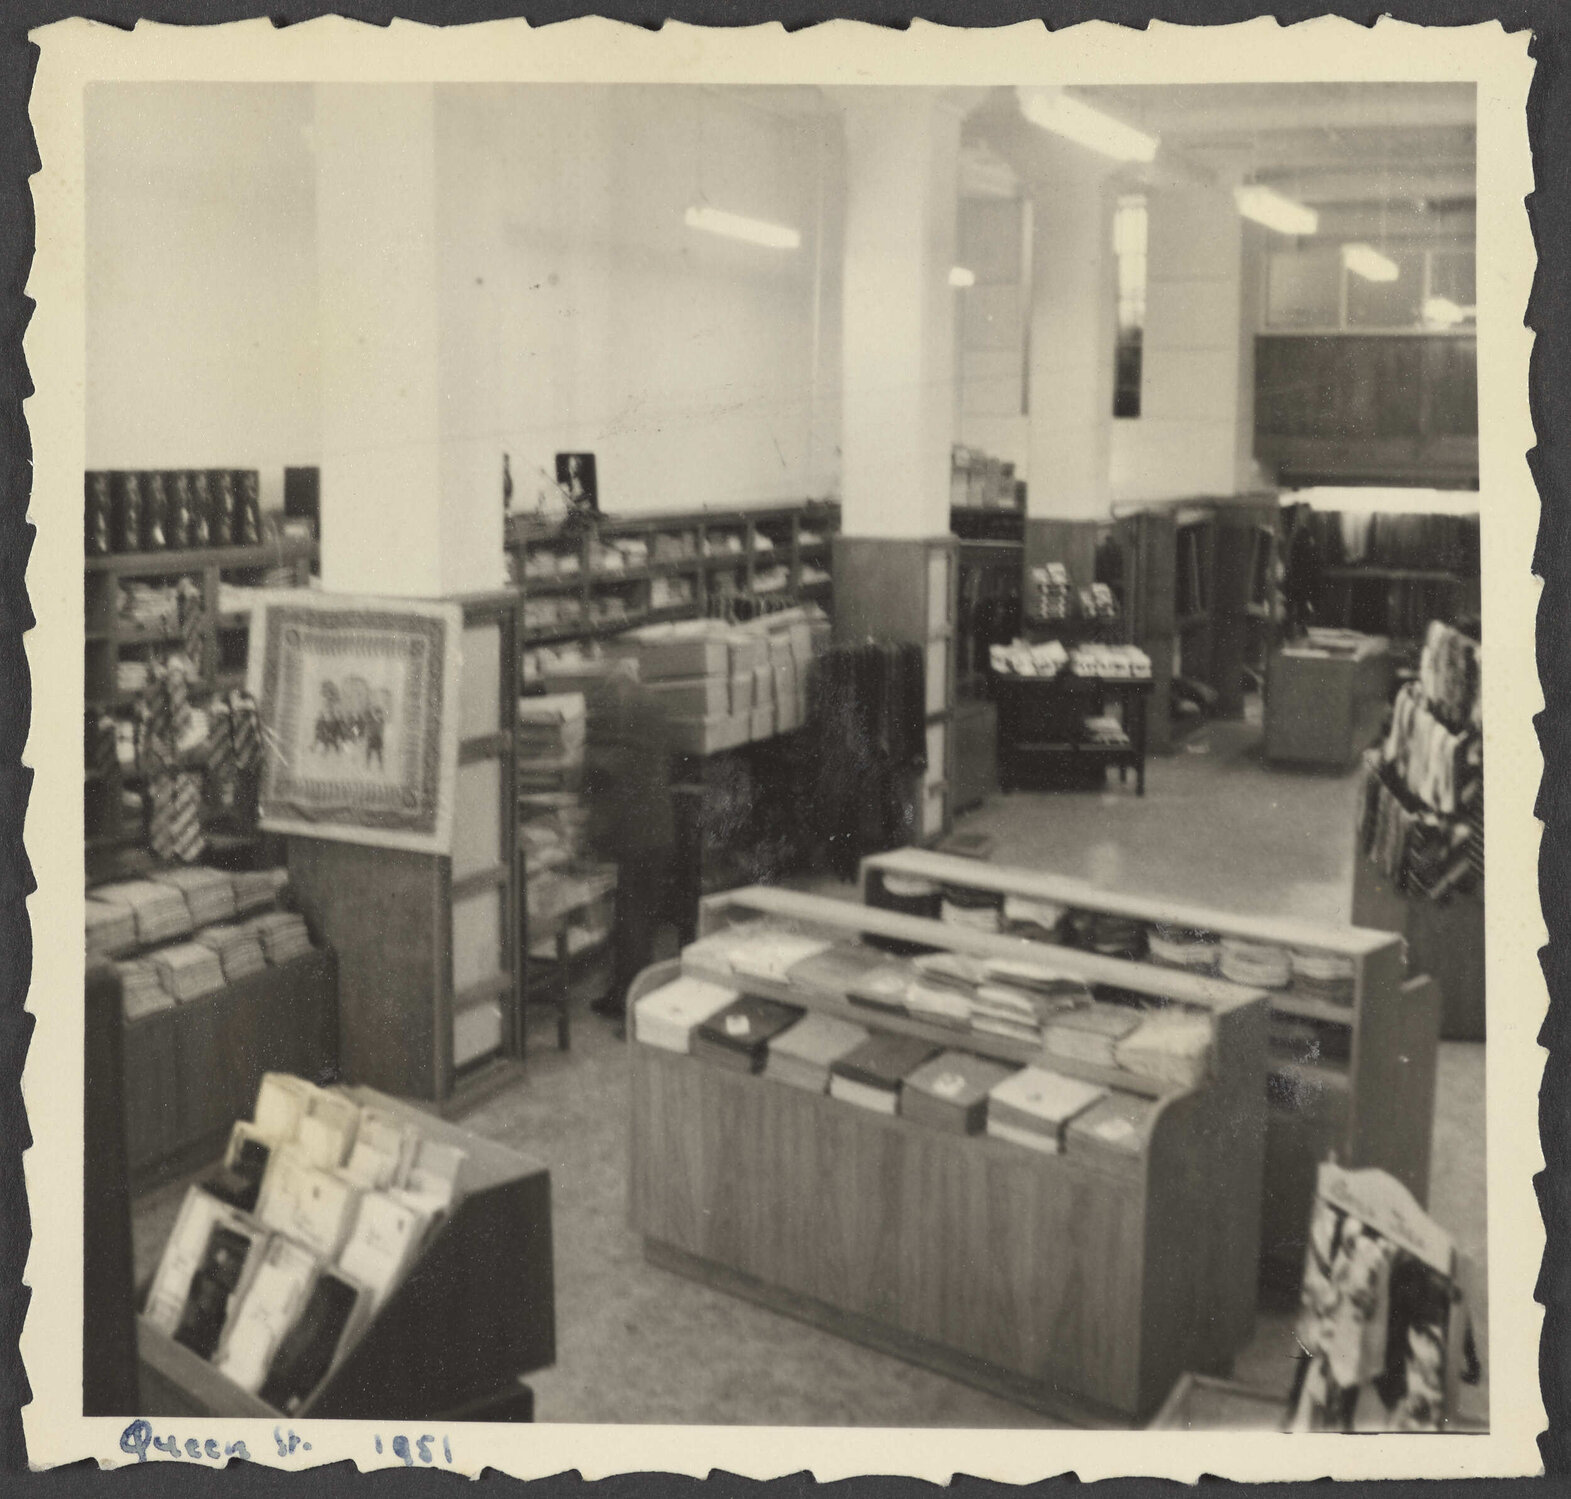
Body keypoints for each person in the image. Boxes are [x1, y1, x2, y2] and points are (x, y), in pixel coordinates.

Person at [580, 658, 676, 1027]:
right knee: (638, 917)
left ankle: (629, 1001)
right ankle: (627, 995)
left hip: (631, 833)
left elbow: (597, 774)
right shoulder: (653, 708)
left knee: (630, 917)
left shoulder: (607, 717)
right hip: (655, 828)